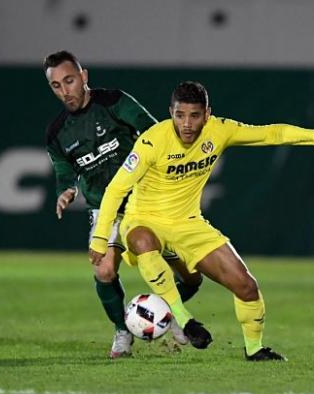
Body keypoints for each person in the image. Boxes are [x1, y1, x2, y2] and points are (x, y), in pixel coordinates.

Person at [88, 81, 314, 361]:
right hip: (144, 220)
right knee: (142, 240)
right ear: (171, 112)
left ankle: (254, 349)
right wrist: (99, 238)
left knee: (246, 286)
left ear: (207, 114)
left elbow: (271, 133)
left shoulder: (220, 130)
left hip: (189, 224)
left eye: (194, 116)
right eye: (180, 115)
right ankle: (184, 319)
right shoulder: (152, 141)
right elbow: (116, 189)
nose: (187, 124)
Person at [43, 52, 203, 359]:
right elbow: (64, 171)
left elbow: (152, 129)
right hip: (105, 209)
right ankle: (121, 331)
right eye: (56, 85)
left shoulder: (114, 102)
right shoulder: (56, 133)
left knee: (192, 277)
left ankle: (168, 312)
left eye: (69, 80)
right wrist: (65, 190)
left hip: (146, 201)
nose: (65, 91)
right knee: (103, 271)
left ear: (84, 76)